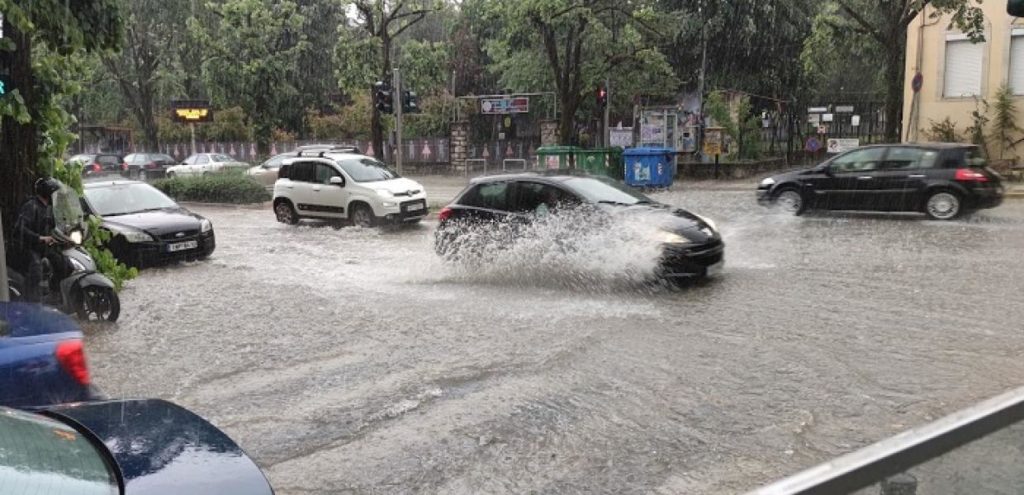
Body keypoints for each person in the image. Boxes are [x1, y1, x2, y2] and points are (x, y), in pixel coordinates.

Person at [11, 178, 60, 302]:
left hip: (42, 247)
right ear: (48, 193)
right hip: (28, 247)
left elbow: (54, 227)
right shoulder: (31, 206)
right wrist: (40, 238)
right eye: (53, 193)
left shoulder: (48, 208)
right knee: (36, 268)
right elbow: (20, 229)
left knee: (62, 261)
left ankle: (55, 294)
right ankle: (33, 301)